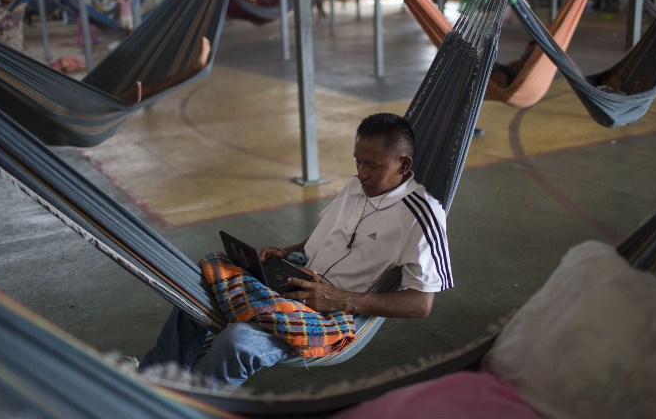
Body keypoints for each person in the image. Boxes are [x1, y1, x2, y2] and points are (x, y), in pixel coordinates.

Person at [140, 113, 453, 389]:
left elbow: (422, 303)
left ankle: (183, 412)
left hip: (333, 311)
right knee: (198, 284)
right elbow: (330, 231)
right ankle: (153, 381)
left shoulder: (421, 216)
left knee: (238, 342)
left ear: (404, 163)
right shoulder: (356, 187)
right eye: (358, 161)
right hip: (297, 277)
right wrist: (285, 252)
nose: (362, 173)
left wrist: (339, 298)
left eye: (373, 165)